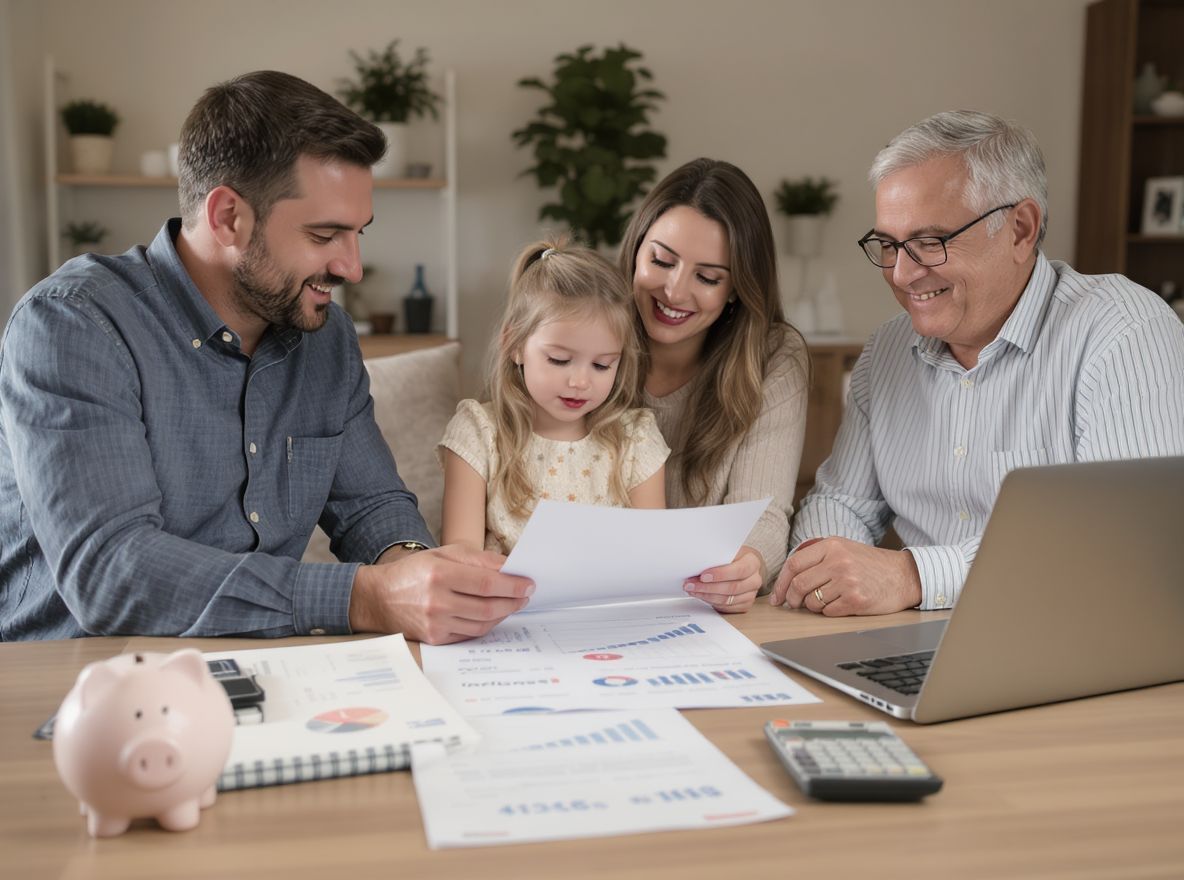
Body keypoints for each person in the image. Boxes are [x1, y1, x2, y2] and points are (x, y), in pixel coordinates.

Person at [0, 70, 532, 643]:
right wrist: (367, 597)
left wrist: (415, 569)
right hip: (75, 683)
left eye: (359, 234)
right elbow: (112, 574)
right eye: (325, 236)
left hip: (267, 672)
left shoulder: (326, 339)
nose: (351, 267)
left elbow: (370, 505)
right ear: (228, 216)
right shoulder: (74, 324)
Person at [773, 109, 1184, 617]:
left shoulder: (1124, 331)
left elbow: (1125, 540)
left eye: (930, 242)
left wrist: (912, 575)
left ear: (1020, 229)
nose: (902, 274)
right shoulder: (887, 352)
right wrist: (823, 570)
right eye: (888, 245)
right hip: (910, 639)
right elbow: (840, 502)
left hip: (1071, 635)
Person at [619, 159, 810, 614]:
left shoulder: (773, 358)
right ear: (635, 250)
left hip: (697, 613)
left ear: (737, 290)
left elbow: (763, 512)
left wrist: (749, 564)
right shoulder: (584, 330)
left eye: (707, 277)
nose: (674, 291)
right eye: (661, 260)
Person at [439, 238, 668, 554]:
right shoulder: (480, 433)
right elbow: (460, 558)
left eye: (602, 365)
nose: (580, 381)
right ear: (515, 344)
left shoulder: (635, 438)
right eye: (559, 360)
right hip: (501, 602)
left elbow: (652, 553)